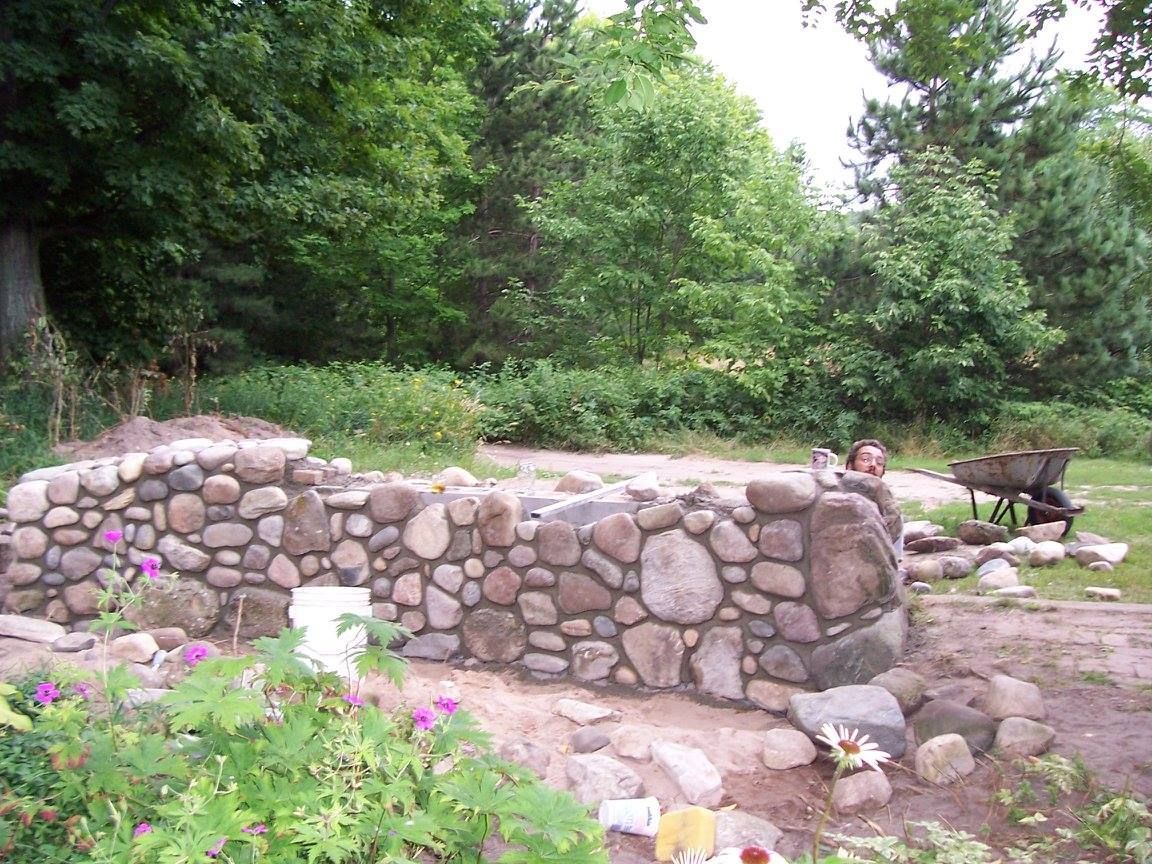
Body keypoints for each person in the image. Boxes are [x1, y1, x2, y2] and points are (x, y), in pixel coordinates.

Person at [845, 438, 904, 561]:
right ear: (850, 466)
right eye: (866, 459)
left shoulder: (891, 512)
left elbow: (893, 562)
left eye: (879, 462)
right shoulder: (836, 498)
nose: (873, 465)